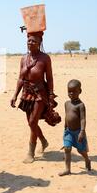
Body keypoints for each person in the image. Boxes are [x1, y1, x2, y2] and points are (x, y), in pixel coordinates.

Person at [11, 31, 61, 163]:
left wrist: (50, 94)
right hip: (26, 94)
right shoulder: (23, 58)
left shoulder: (45, 58)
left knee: (33, 122)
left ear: (39, 43)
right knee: (30, 123)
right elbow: (21, 78)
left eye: (33, 41)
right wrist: (15, 95)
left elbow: (49, 78)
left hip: (40, 93)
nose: (30, 43)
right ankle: (43, 141)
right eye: (29, 40)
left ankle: (31, 152)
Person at [59, 79, 91, 176]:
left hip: (78, 132)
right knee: (67, 148)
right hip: (68, 131)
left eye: (74, 91)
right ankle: (67, 169)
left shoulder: (81, 105)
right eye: (69, 91)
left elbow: (82, 119)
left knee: (81, 150)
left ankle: (87, 159)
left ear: (80, 91)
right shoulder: (66, 103)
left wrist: (82, 131)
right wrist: (65, 126)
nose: (71, 94)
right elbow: (66, 115)